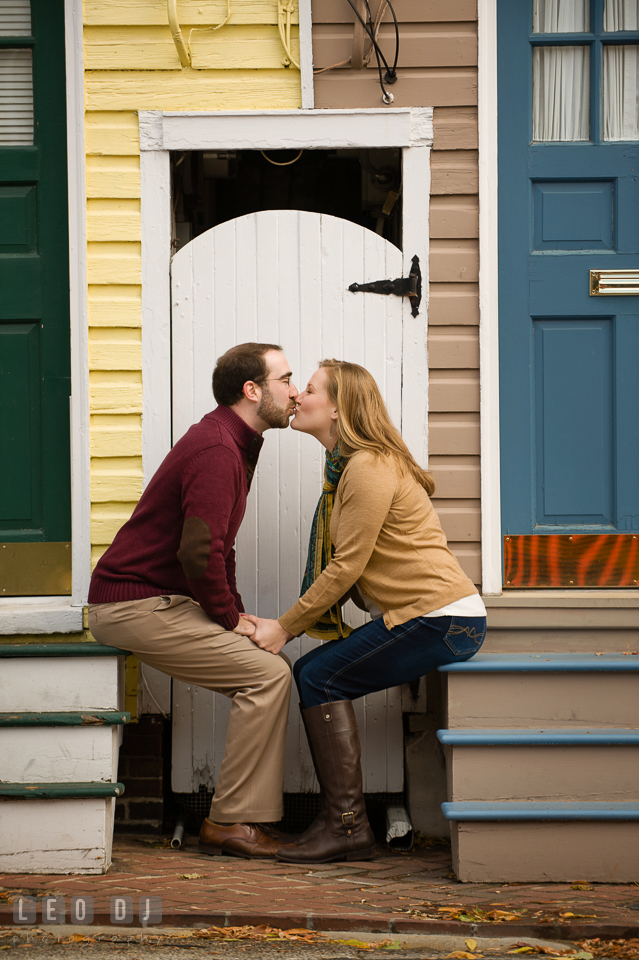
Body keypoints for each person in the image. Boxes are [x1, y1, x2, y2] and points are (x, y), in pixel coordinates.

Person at [237, 360, 486, 864]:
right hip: (431, 616)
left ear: (337, 408)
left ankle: (348, 827)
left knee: (320, 676)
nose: (297, 397)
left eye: (307, 389)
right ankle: (343, 823)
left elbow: (346, 566)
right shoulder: (350, 468)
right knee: (317, 673)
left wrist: (284, 628)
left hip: (442, 619)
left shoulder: (368, 467)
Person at [88, 343, 299, 859]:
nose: (295, 392)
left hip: (160, 599)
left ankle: (234, 818)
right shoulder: (218, 449)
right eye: (286, 380)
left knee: (268, 665)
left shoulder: (230, 442)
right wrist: (227, 617)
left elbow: (215, 544)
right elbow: (199, 548)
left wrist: (233, 611)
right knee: (267, 675)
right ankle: (230, 823)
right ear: (252, 391)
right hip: (134, 604)